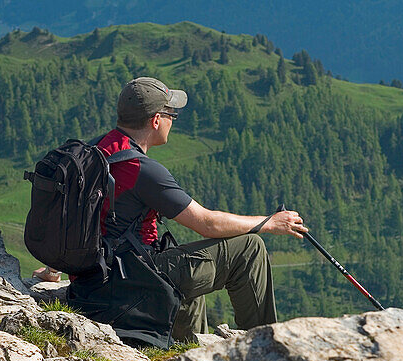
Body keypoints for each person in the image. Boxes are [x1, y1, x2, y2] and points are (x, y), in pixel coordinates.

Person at [69, 76, 306, 341]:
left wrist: (57, 267)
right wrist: (270, 223)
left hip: (93, 280)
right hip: (127, 281)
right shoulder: (141, 170)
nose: (173, 120)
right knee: (249, 249)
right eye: (171, 114)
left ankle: (188, 351)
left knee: (183, 268)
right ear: (155, 120)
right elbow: (207, 224)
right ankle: (264, 348)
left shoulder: (93, 151)